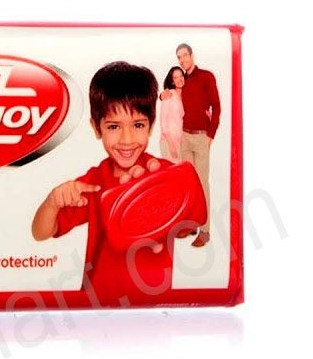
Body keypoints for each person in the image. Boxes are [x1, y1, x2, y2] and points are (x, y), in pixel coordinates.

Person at [31, 61, 174, 305]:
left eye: (138, 125)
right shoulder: (94, 182)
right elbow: (40, 233)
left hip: (154, 306)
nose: (127, 139)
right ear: (97, 128)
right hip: (95, 304)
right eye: (114, 126)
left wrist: (160, 209)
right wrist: (52, 202)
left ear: (151, 126)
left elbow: (191, 225)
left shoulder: (164, 174)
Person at [161, 43, 220, 247]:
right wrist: (162, 94)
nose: (182, 59)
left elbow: (216, 106)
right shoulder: (182, 81)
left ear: (192, 55)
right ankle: (191, 224)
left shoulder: (206, 76)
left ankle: (205, 230)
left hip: (201, 137)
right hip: (184, 137)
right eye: (179, 57)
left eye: (185, 55)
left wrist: (211, 135)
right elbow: (169, 95)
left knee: (202, 183)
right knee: (189, 184)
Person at [159, 65, 185, 163]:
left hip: (181, 143)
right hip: (169, 141)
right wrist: (171, 144)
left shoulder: (185, 96)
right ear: (172, 81)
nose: (179, 79)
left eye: (181, 76)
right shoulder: (169, 94)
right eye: (175, 77)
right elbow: (163, 121)